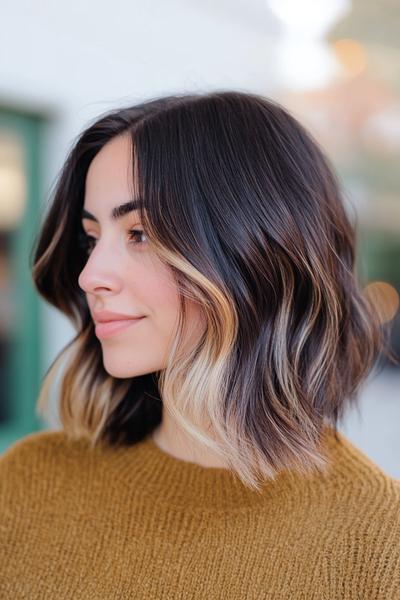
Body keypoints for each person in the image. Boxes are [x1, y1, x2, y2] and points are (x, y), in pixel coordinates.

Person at [1, 90, 399, 599]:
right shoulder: (28, 484)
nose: (90, 275)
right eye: (91, 237)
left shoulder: (380, 545)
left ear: (254, 252)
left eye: (140, 233)